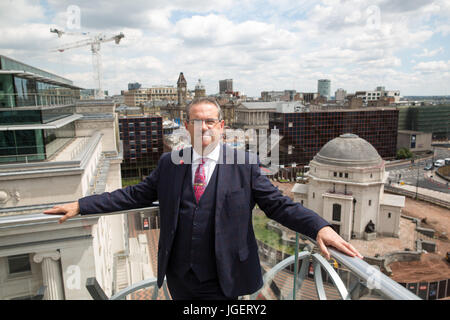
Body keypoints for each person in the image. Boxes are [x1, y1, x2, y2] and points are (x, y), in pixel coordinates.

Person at [44, 97, 363, 300]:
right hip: (180, 277)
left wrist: (319, 227)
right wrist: (81, 205)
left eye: (210, 121)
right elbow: (134, 194)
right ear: (186, 126)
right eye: (196, 121)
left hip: (225, 276)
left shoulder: (245, 165)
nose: (204, 127)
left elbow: (279, 205)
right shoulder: (170, 164)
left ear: (222, 126)